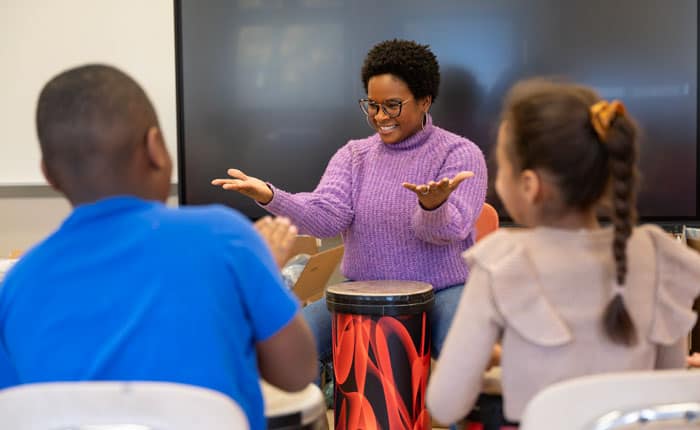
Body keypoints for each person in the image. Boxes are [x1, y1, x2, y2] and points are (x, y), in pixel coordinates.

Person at [0, 64, 317, 430]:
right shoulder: (226, 238)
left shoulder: (16, 287)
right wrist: (267, 270)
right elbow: (297, 373)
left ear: (48, 174)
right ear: (156, 148)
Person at [427, 78, 700, 427]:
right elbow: (664, 387)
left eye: (501, 166)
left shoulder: (500, 260)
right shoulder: (657, 255)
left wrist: (479, 361)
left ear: (529, 186)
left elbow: (445, 406)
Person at [211, 39, 488, 363]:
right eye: (372, 104)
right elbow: (327, 216)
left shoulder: (460, 154)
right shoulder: (355, 155)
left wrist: (432, 206)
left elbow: (448, 230)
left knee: (466, 354)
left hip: (440, 292)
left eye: (392, 105)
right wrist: (271, 196)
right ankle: (310, 416)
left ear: (425, 101)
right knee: (289, 348)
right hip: (362, 293)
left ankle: (456, 416)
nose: (380, 116)